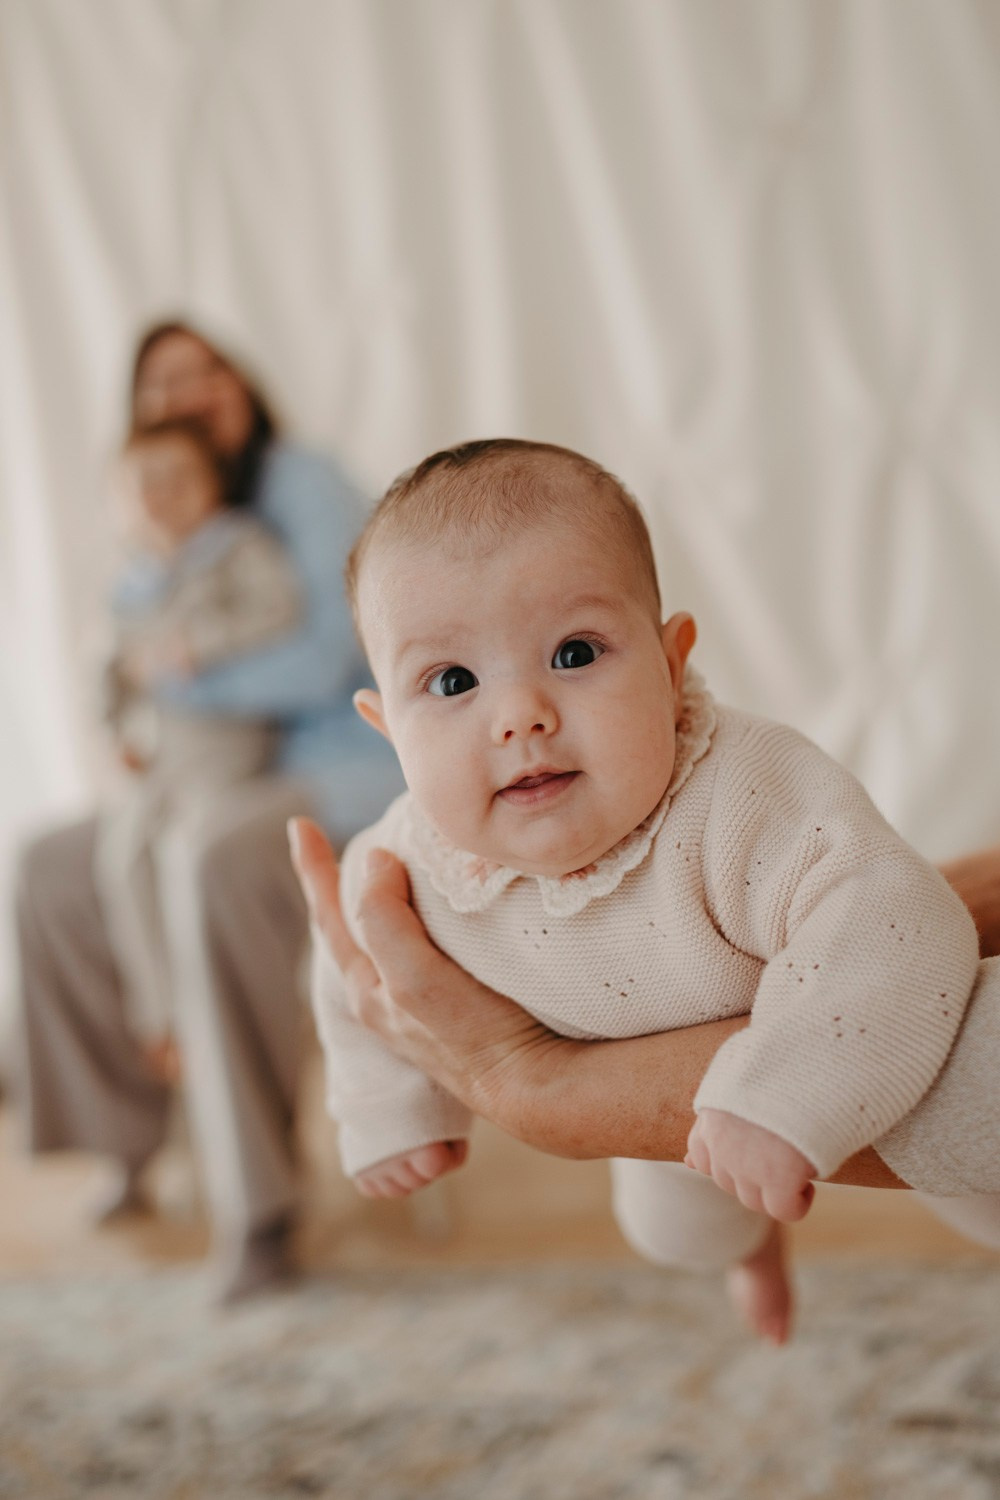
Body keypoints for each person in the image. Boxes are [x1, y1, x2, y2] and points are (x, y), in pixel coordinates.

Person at [298, 437, 1000, 1345]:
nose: (520, 716)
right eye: (454, 682)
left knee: (979, 1188)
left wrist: (780, 1094)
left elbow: (894, 917)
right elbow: (354, 972)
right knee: (677, 1234)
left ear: (672, 669)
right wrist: (389, 1106)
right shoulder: (408, 861)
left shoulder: (744, 792)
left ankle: (803, 1171)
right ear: (386, 726)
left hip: (818, 1029)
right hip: (647, 1101)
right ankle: (750, 1256)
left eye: (576, 652)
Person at [15, 319, 402, 1302]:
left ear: (243, 387)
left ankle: (259, 1207)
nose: (187, 394)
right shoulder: (162, 523)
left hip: (332, 763)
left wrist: (176, 687)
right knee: (51, 864)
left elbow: (325, 657)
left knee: (209, 857)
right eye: (163, 385)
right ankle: (126, 1142)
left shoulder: (302, 486)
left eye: (206, 374)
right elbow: (121, 652)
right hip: (211, 776)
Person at [95, 416, 302, 1065]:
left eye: (180, 478)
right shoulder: (130, 585)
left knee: (191, 850)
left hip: (230, 742)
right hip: (162, 750)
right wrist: (114, 730)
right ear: (119, 503)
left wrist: (198, 644)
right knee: (124, 854)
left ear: (215, 485)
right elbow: (108, 671)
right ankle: (163, 1016)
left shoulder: (236, 546)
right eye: (144, 484)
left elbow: (280, 610)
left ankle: (209, 1009)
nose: (163, 494)